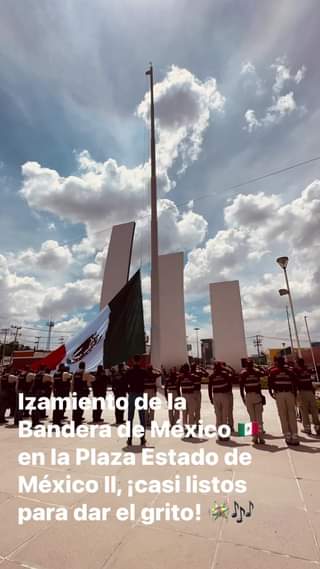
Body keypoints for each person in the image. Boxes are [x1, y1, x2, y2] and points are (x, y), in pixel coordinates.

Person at [268, 356, 299, 445]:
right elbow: (295, 383)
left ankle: (287, 435)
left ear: (277, 362)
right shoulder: (290, 371)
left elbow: (270, 383)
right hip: (289, 394)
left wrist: (271, 393)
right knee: (292, 414)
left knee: (283, 415)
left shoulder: (273, 371)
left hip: (280, 394)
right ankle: (295, 435)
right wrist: (294, 394)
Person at [239, 359, 265, 444]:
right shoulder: (256, 372)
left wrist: (243, 397)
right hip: (257, 396)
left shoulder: (244, 373)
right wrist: (258, 367)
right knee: (259, 418)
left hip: (249, 396)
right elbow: (265, 372)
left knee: (252, 418)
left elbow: (241, 387)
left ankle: (254, 437)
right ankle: (261, 437)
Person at [208, 361, 233, 440]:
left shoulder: (212, 376)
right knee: (224, 416)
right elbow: (232, 377)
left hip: (216, 396)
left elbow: (209, 388)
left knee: (218, 416)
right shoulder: (225, 374)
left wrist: (211, 398)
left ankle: (219, 435)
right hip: (224, 395)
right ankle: (224, 434)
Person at [295, 358, 320, 435]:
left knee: (304, 410)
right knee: (314, 410)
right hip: (311, 392)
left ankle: (307, 429)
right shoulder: (308, 370)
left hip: (302, 392)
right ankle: (318, 428)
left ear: (298, 363)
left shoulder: (297, 371)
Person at [126, 355, 147, 446]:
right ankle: (142, 438)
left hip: (131, 394)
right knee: (142, 417)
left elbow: (124, 382)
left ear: (133, 361)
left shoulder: (129, 371)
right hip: (140, 395)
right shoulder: (143, 371)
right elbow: (152, 376)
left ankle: (129, 438)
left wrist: (128, 390)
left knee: (130, 417)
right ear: (139, 361)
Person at [178, 363, 196, 435]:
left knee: (184, 413)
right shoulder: (192, 376)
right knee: (191, 413)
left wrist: (179, 396)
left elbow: (177, 387)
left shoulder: (181, 377)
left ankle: (185, 428)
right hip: (190, 395)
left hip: (184, 395)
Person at [190, 363, 208, 431]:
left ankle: (195, 423)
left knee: (193, 409)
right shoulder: (198, 373)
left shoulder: (190, 374)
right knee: (197, 409)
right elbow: (206, 374)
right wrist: (202, 368)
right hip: (195, 392)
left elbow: (206, 375)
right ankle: (196, 422)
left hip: (193, 392)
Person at [72, 361, 90, 428]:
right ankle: (78, 422)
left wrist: (72, 392)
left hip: (76, 391)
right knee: (81, 407)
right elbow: (88, 384)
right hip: (83, 392)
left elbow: (72, 383)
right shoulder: (85, 373)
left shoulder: (75, 373)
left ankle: (74, 421)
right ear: (84, 366)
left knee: (76, 407)